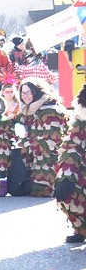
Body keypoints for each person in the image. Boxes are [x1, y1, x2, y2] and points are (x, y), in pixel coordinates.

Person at [17, 80, 69, 197]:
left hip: (50, 155)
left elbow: (52, 141)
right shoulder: (28, 109)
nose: (26, 96)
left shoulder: (49, 110)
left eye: (29, 92)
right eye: (23, 93)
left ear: (37, 92)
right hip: (34, 151)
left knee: (39, 191)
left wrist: (26, 144)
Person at [54, 85, 86, 244]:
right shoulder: (82, 120)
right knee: (69, 189)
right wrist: (67, 176)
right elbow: (72, 146)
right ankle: (80, 229)